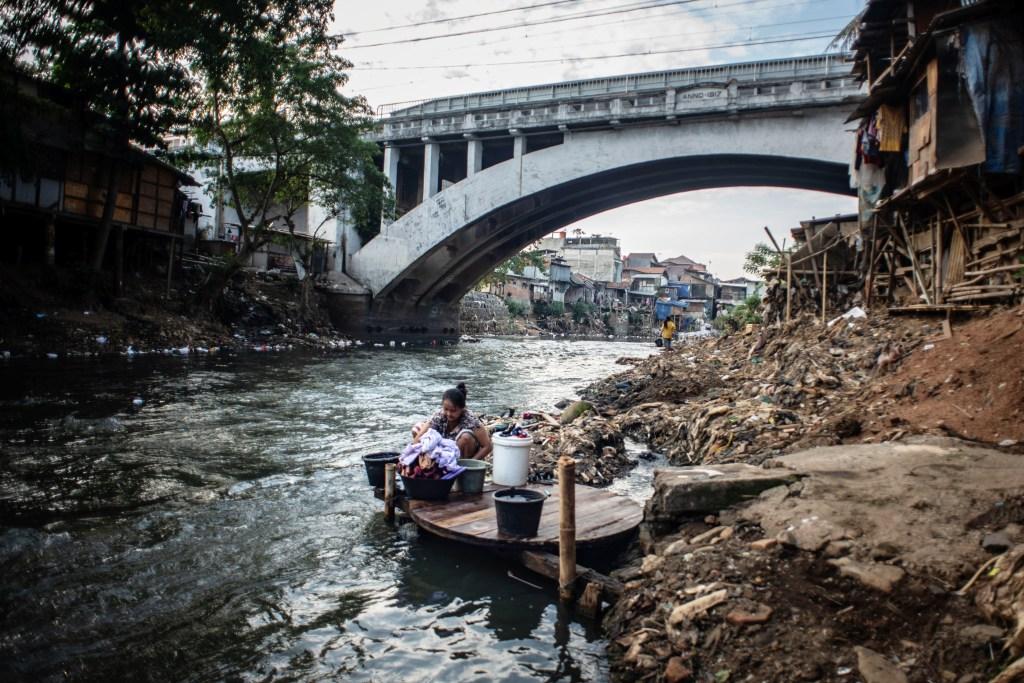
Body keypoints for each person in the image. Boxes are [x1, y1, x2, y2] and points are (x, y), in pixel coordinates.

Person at [412, 382, 493, 460]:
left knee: (466, 437)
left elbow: (487, 446)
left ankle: (461, 466)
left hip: (463, 452)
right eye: (446, 409)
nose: (448, 414)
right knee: (417, 428)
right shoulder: (439, 416)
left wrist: (473, 461)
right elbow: (418, 437)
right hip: (443, 450)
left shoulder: (470, 420)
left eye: (453, 411)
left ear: (462, 409)